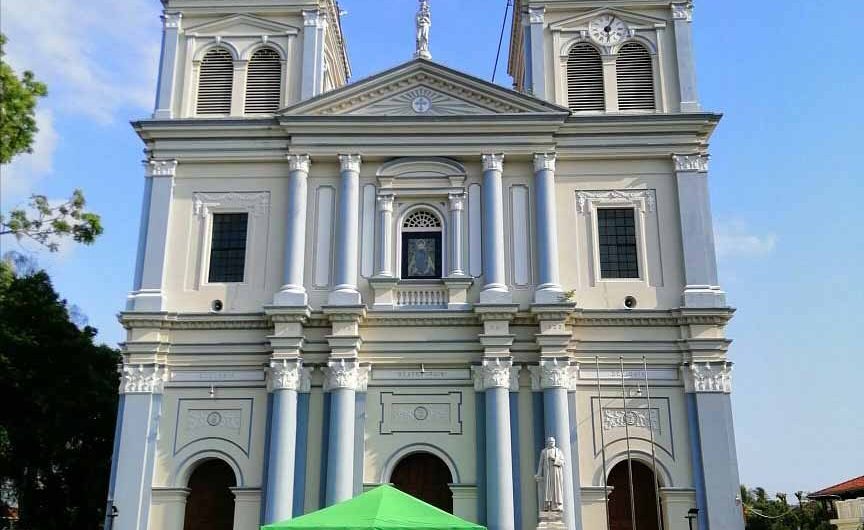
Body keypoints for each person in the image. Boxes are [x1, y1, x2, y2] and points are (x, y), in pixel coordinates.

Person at [536, 436, 565, 513]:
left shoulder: (558, 451)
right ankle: (547, 505)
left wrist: (554, 459)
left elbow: (562, 462)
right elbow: (541, 464)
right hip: (547, 473)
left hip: (556, 473)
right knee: (547, 489)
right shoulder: (544, 452)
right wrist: (539, 474)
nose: (552, 443)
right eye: (550, 442)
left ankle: (556, 505)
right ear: (547, 443)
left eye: (553, 442)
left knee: (556, 489)